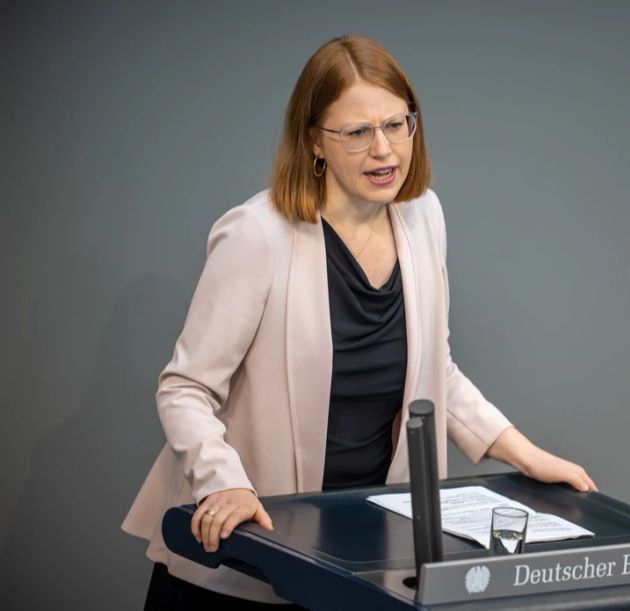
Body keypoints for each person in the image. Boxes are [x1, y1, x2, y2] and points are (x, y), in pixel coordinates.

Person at [123, 34, 598, 609]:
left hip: (361, 549)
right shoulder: (257, 236)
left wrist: (524, 453)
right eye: (357, 132)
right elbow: (185, 388)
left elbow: (434, 371)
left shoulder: (423, 215)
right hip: (254, 545)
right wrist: (225, 482)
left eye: (397, 125)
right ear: (313, 142)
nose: (384, 150)